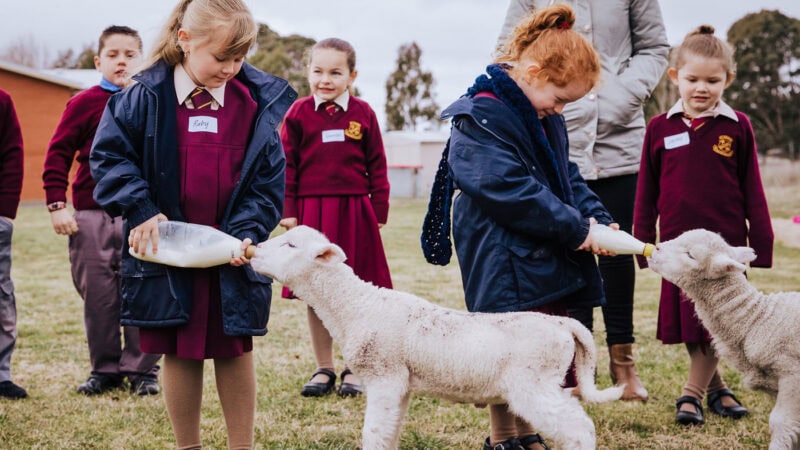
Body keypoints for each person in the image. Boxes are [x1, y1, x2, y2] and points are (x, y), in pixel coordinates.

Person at [89, 0, 295, 447]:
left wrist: (246, 231)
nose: (230, 69)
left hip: (230, 252)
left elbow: (268, 182)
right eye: (221, 57)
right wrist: (140, 208)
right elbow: (109, 158)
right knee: (178, 349)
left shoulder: (255, 103)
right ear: (184, 41)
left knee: (234, 347)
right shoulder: (141, 96)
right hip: (166, 251)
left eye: (239, 59)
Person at [422, 5, 615, 449]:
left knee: (536, 350)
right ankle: (504, 437)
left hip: (538, 249)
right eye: (560, 98)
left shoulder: (539, 115)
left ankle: (526, 434)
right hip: (499, 252)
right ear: (532, 72)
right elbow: (506, 187)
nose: (560, 109)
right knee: (507, 348)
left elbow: (564, 178)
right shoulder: (480, 117)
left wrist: (597, 219)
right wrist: (575, 229)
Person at [497, 0, 669, 402]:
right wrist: (554, 100)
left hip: (618, 140)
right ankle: (574, 368)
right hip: (557, 133)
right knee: (567, 252)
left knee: (616, 250)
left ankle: (622, 361)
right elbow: (509, 47)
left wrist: (616, 95)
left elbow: (654, 47)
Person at [633, 25, 773, 426]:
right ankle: (718, 390)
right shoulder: (659, 127)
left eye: (713, 80)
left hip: (721, 251)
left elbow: (753, 187)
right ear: (675, 76)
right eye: (692, 79)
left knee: (721, 320)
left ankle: (691, 395)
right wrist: (643, 241)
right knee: (692, 325)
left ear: (727, 80)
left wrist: (760, 242)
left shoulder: (737, 125)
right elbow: (647, 189)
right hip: (679, 250)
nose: (702, 88)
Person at [42, 25, 162, 397]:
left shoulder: (154, 103)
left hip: (141, 216)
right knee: (99, 295)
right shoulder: (83, 102)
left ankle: (142, 370)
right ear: (99, 61)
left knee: (144, 289)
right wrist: (57, 205)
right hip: (92, 214)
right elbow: (58, 153)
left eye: (130, 54)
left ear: (143, 60)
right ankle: (104, 368)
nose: (122, 61)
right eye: (113, 54)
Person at [279, 37, 392, 398]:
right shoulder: (297, 113)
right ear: (308, 72)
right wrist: (289, 212)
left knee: (356, 293)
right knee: (316, 293)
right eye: (318, 71)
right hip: (313, 214)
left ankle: (355, 367)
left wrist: (378, 210)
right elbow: (287, 166)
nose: (325, 79)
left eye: (335, 72)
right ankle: (324, 367)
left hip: (354, 211)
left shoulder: (363, 113)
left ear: (351, 75)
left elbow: (377, 164)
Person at [0, 88, 27, 400]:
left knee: (1, 295)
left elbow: (12, 153)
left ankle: (2, 374)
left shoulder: (3, 101)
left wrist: (5, 212)